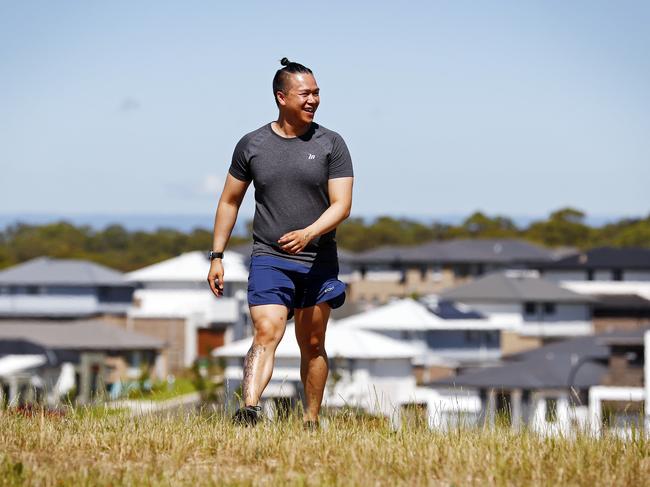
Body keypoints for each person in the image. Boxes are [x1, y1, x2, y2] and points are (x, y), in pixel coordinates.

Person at [207, 58, 354, 429]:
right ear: (281, 97)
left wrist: (309, 233)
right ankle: (250, 410)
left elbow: (342, 206)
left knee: (314, 343)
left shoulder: (331, 144)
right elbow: (229, 201)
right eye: (305, 93)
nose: (314, 100)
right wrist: (217, 256)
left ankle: (310, 420)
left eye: (317, 92)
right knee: (266, 331)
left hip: (318, 258)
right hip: (269, 257)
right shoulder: (252, 145)